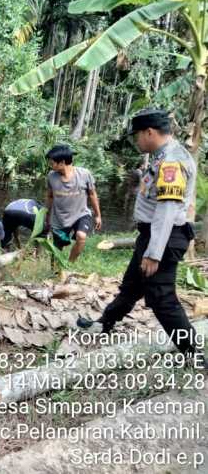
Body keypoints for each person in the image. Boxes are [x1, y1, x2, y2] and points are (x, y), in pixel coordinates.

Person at [78, 109, 205, 367]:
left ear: (149, 132)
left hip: (165, 237)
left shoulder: (171, 161)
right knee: (132, 285)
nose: (136, 141)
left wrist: (153, 252)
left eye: (137, 135)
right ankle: (104, 324)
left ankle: (195, 355)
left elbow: (167, 211)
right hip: (152, 235)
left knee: (162, 298)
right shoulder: (161, 156)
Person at [45, 144, 102, 262]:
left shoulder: (84, 174)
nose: (50, 165)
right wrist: (47, 217)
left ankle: (70, 263)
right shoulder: (51, 177)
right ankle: (55, 271)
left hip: (81, 214)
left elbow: (92, 194)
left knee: (81, 236)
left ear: (62, 163)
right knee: (57, 249)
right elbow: (50, 197)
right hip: (60, 219)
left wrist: (97, 215)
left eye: (52, 163)